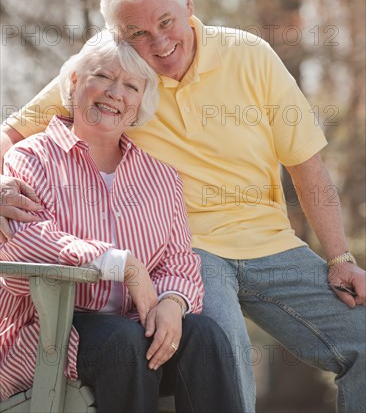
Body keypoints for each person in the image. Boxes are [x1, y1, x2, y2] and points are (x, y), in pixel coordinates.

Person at [1, 0, 365, 412]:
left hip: (272, 244)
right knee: (224, 355)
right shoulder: (114, 71)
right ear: (120, 35)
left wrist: (340, 257)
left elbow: (306, 164)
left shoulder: (250, 55)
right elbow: (10, 135)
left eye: (166, 22)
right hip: (192, 251)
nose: (157, 42)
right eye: (137, 33)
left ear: (189, 7)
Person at [0, 34, 243, 413]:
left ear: (139, 105)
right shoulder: (31, 158)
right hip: (47, 336)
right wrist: (121, 265)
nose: (116, 93)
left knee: (206, 335)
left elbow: (180, 262)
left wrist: (173, 303)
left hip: (134, 327)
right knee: (122, 342)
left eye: (131, 85)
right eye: (103, 77)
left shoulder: (161, 176)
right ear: (76, 82)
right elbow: (26, 241)